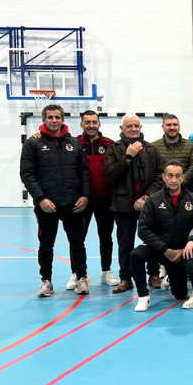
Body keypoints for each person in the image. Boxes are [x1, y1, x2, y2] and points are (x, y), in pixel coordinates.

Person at [19, 103, 90, 297]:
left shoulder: (74, 143)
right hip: (47, 205)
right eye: (50, 117)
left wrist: (84, 195)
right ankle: (46, 281)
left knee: (77, 243)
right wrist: (41, 199)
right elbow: (27, 174)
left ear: (62, 119)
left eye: (57, 117)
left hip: (73, 203)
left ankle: (81, 278)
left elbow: (84, 172)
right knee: (46, 244)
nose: (54, 120)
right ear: (44, 119)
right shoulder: (33, 143)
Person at [131, 160, 193, 312]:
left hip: (182, 251)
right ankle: (143, 297)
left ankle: (171, 276)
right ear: (163, 177)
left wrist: (185, 248)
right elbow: (143, 229)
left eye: (178, 176)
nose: (174, 180)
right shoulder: (153, 199)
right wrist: (165, 250)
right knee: (135, 255)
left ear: (183, 178)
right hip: (159, 248)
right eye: (170, 176)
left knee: (180, 294)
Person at [105, 114, 163, 295]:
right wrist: (127, 157)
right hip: (123, 203)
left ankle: (153, 274)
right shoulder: (114, 149)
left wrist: (146, 196)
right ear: (122, 129)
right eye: (129, 126)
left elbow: (160, 176)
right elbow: (110, 174)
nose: (133, 129)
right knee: (125, 242)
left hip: (148, 202)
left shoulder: (151, 149)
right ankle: (126, 278)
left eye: (136, 126)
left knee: (152, 239)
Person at [77, 110, 118, 287]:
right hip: (82, 199)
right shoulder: (74, 143)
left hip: (106, 198)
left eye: (94, 122)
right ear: (82, 124)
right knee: (78, 238)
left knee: (106, 236)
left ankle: (106, 271)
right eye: (87, 122)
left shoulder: (109, 144)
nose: (91, 125)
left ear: (99, 124)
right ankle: (77, 273)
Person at [153, 113, 193, 189]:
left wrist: (179, 182)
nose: (172, 127)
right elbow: (153, 170)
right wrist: (166, 182)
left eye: (175, 125)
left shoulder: (190, 146)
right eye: (168, 125)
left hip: (184, 191)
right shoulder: (154, 147)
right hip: (160, 191)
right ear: (162, 127)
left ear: (179, 127)